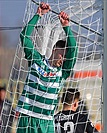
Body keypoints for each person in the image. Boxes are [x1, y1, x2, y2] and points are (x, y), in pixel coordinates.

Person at [16, 2, 77, 133]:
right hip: (27, 116)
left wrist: (66, 27)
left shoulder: (62, 72)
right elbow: (24, 37)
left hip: (46, 120)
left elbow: (74, 50)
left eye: (66, 57)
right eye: (62, 54)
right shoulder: (36, 60)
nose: (64, 58)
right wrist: (38, 15)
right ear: (55, 49)